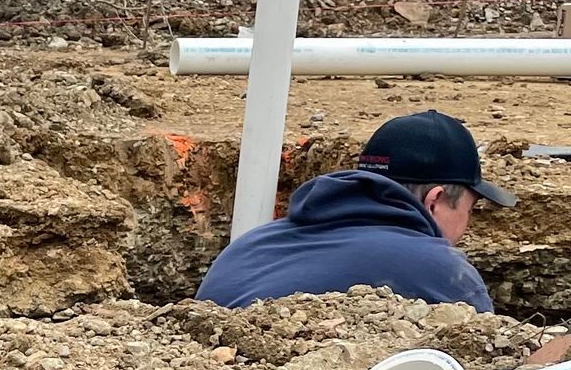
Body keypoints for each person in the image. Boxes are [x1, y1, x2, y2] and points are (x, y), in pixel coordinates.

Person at [196, 110, 513, 313]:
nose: (467, 226)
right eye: (471, 209)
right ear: (435, 200)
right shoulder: (444, 272)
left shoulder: (248, 246)